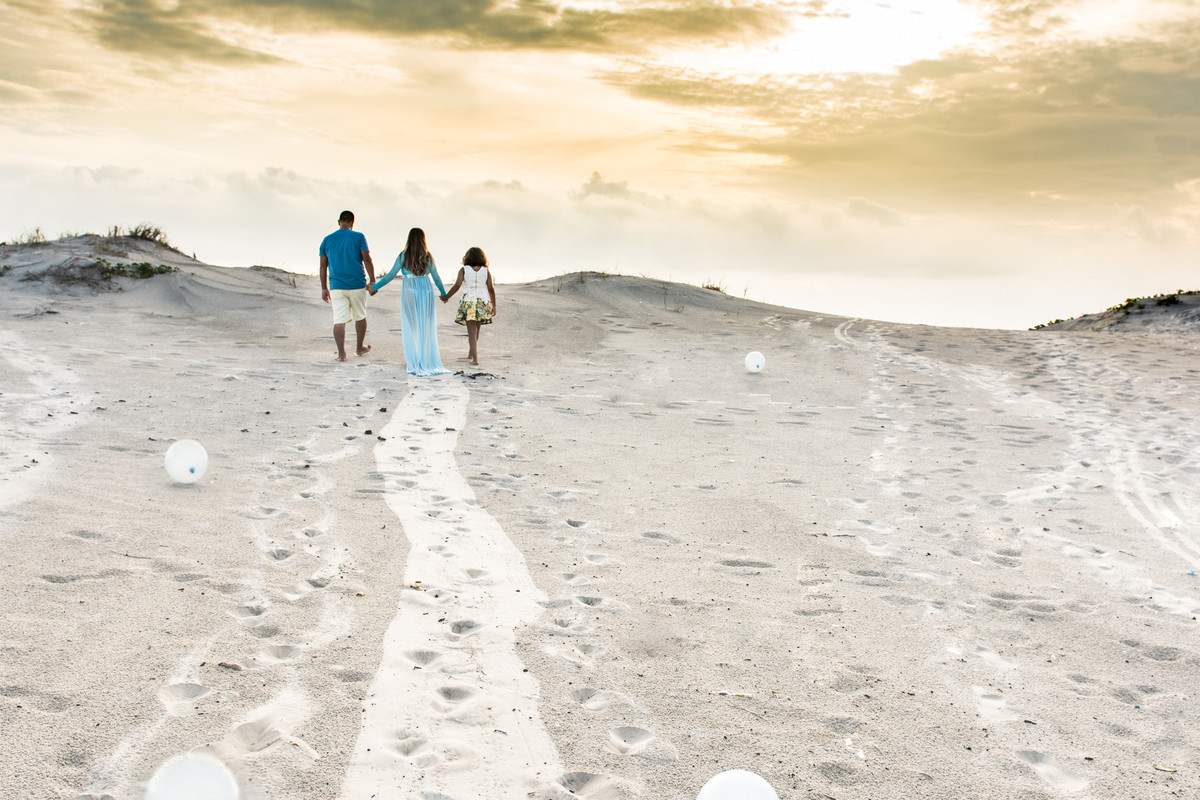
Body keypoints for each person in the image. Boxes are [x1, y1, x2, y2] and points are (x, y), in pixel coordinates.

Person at [369, 227, 450, 376]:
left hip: (409, 290)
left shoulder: (403, 256)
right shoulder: (428, 256)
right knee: (425, 325)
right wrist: (443, 293)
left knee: (411, 324)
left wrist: (375, 287)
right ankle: (425, 357)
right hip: (426, 290)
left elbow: (391, 275)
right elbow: (436, 277)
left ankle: (414, 357)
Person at [319, 210, 375, 362]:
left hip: (336, 286)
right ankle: (359, 347)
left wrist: (324, 288)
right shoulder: (358, 237)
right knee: (360, 316)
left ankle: (341, 354)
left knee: (339, 320)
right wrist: (372, 280)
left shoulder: (327, 240)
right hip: (357, 284)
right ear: (352, 223)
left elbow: (323, 266)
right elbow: (367, 259)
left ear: (339, 222)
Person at [441, 246, 496, 366]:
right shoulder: (486, 271)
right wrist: (494, 305)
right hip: (483, 302)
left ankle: (475, 359)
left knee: (471, 331)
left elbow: (457, 285)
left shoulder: (464, 270)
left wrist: (447, 296)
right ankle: (471, 354)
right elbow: (491, 289)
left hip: (469, 301)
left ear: (467, 257)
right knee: (477, 329)